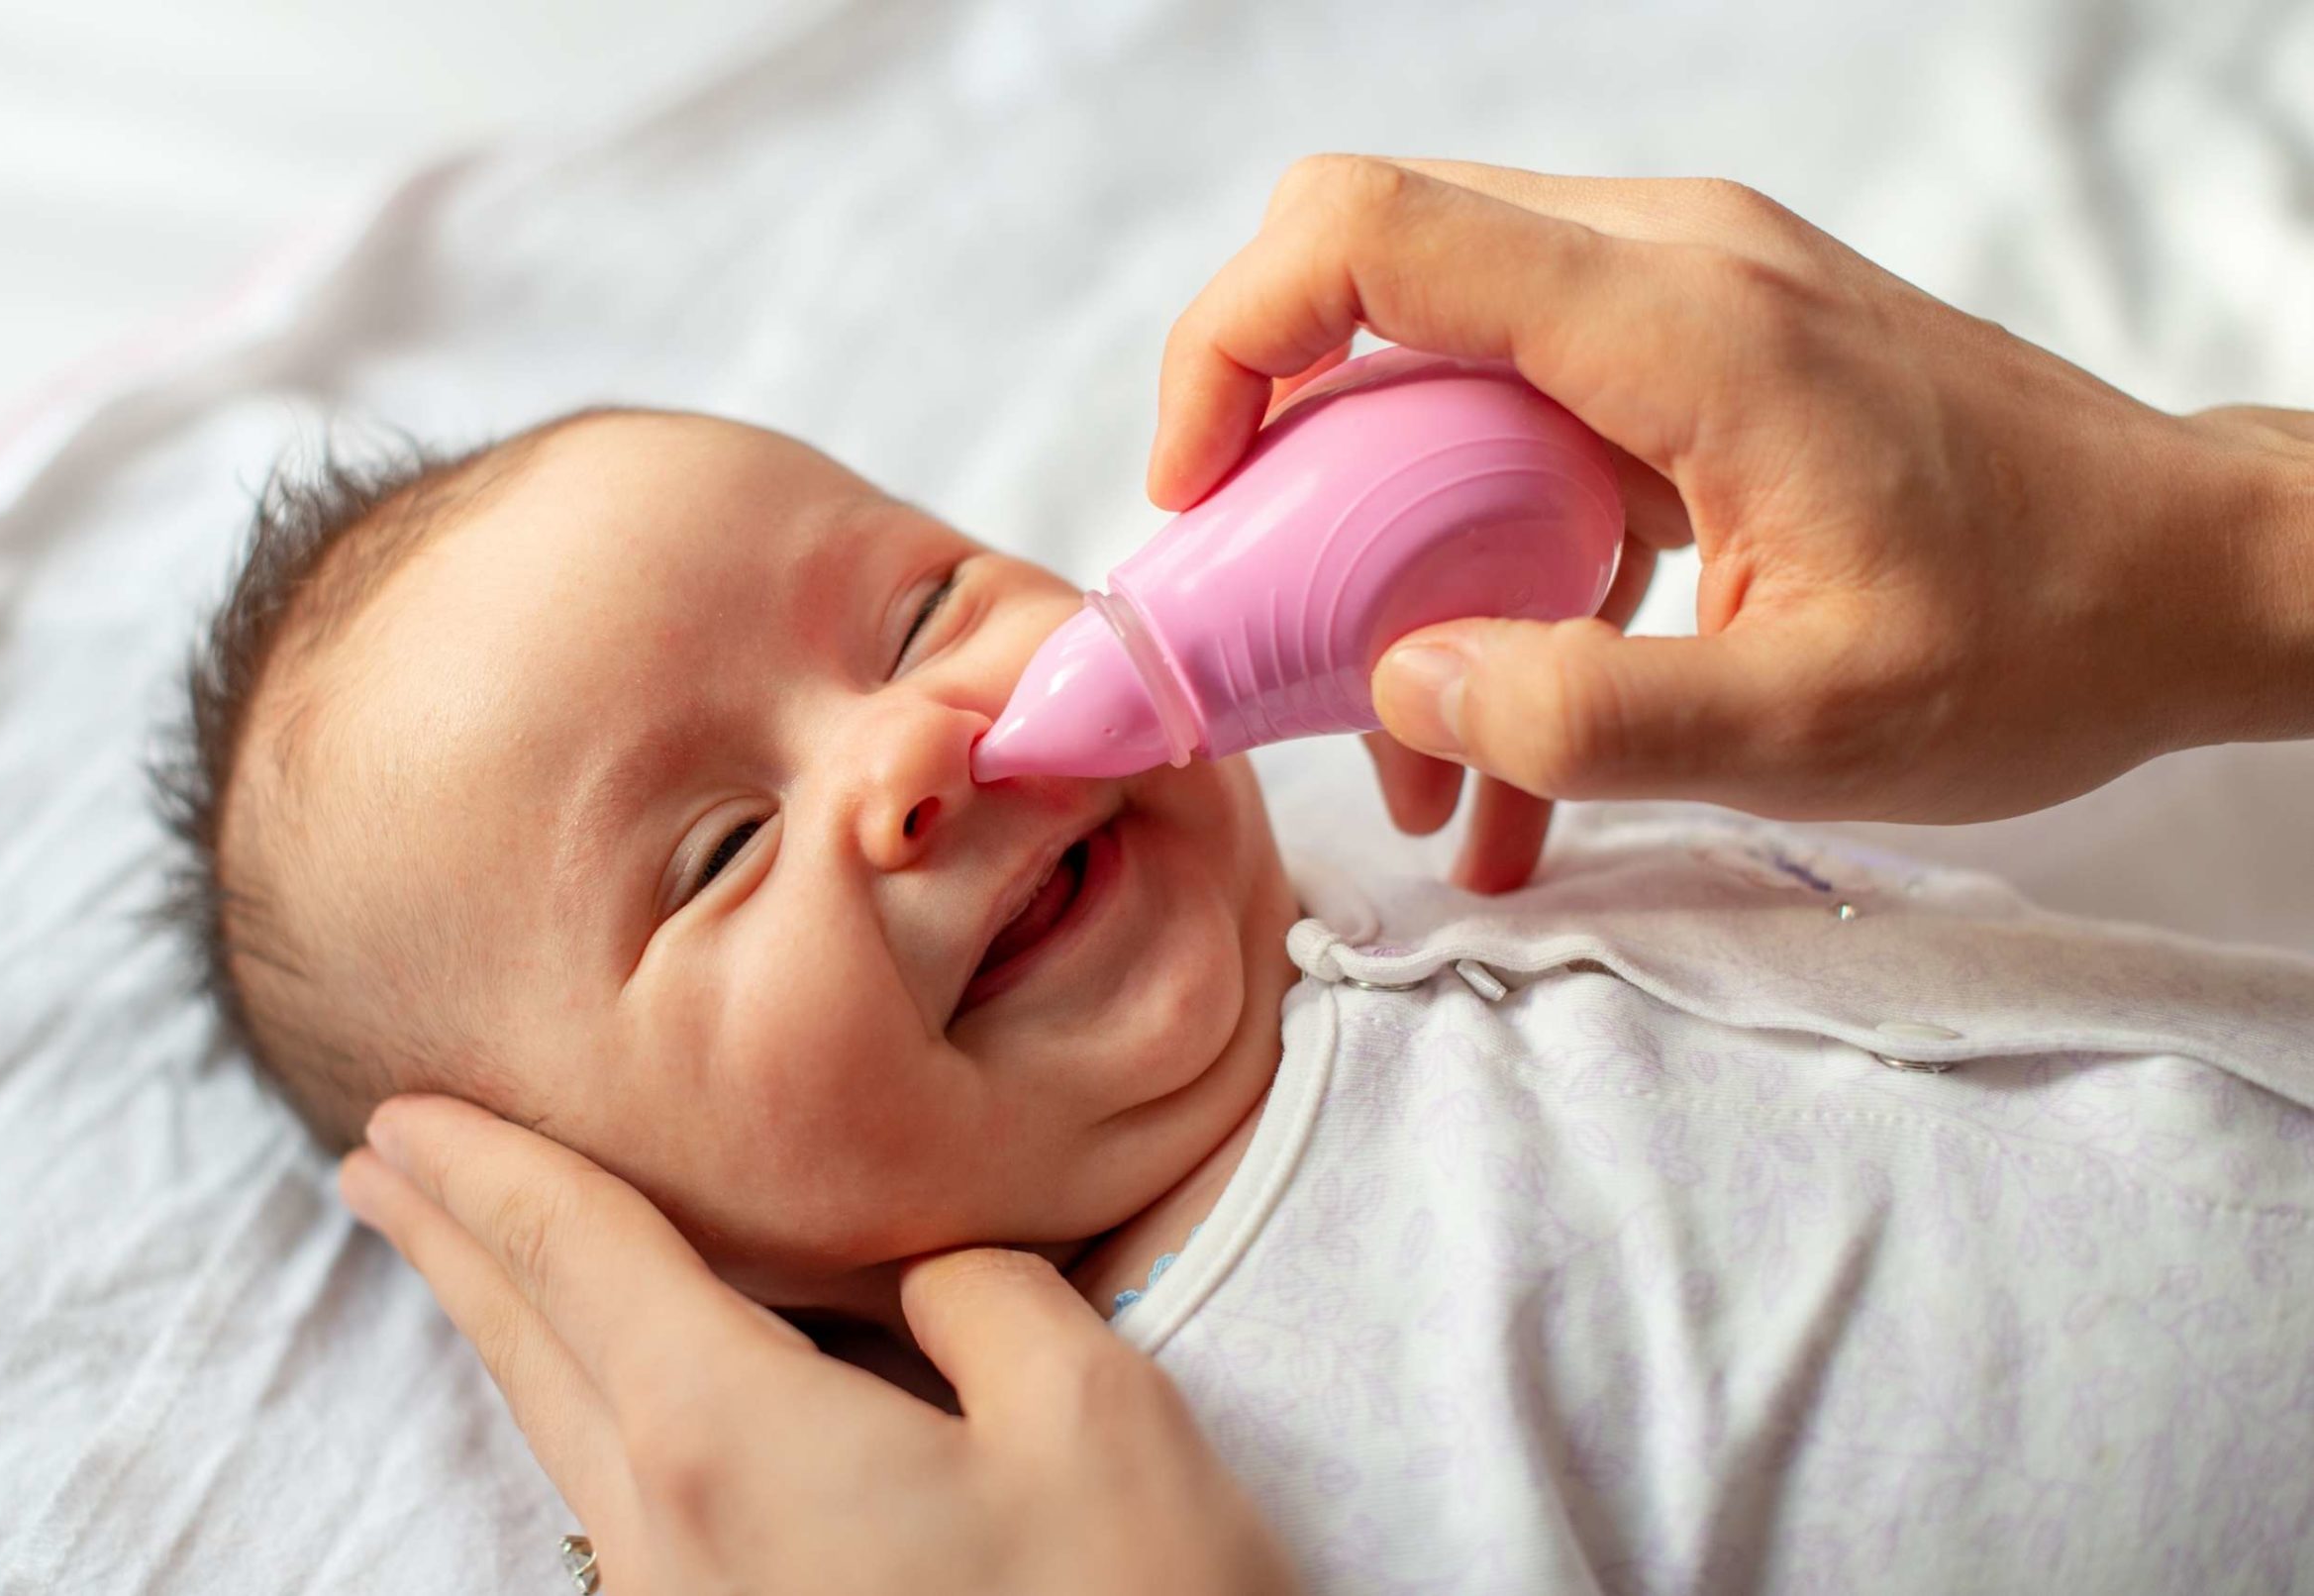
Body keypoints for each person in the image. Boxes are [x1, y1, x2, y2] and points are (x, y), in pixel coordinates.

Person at [321, 157, 2314, 1595]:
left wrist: (2205, 538)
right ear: (643, 1239)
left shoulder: (1428, 802)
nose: (904, 747)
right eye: (717, 848)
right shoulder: (1176, 1475)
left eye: (918, 604)